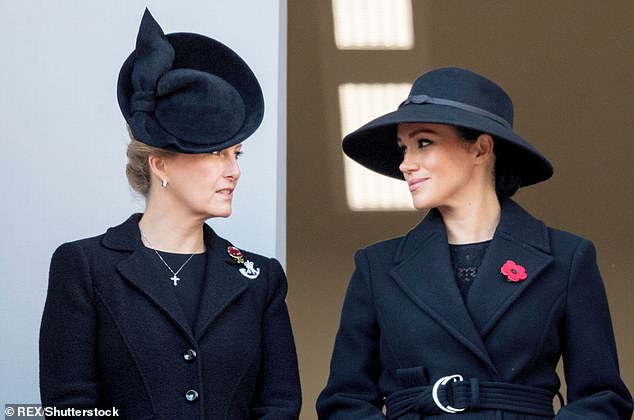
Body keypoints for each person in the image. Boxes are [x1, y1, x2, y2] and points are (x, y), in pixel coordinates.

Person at [316, 67, 632, 419]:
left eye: (423, 143)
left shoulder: (567, 259)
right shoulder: (376, 267)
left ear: (481, 149)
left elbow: (602, 398)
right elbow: (344, 402)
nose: (405, 164)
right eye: (403, 148)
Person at [39, 9, 301, 419]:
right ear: (160, 165)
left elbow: (279, 406)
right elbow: (68, 408)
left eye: (236, 154)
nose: (233, 170)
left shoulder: (260, 279)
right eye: (216, 153)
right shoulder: (85, 268)